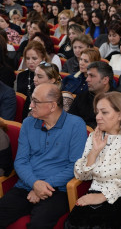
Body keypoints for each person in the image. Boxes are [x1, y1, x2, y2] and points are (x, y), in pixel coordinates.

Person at [0, 83, 87, 228]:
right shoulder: (28, 123)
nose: (30, 105)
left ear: (52, 106)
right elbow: (21, 161)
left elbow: (74, 166)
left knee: (39, 223)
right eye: (31, 100)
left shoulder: (76, 125)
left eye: (36, 102)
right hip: (27, 184)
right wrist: (35, 184)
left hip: (58, 189)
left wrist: (42, 186)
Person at [64, 92, 121, 228]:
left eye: (104, 112)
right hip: (96, 191)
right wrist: (94, 151)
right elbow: (81, 175)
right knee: (72, 224)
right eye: (97, 112)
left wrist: (102, 197)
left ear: (120, 115)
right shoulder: (95, 136)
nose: (98, 117)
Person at [69, 61, 117, 129]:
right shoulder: (81, 98)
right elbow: (70, 122)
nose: (87, 79)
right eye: (87, 75)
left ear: (105, 80)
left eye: (92, 76)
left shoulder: (120, 100)